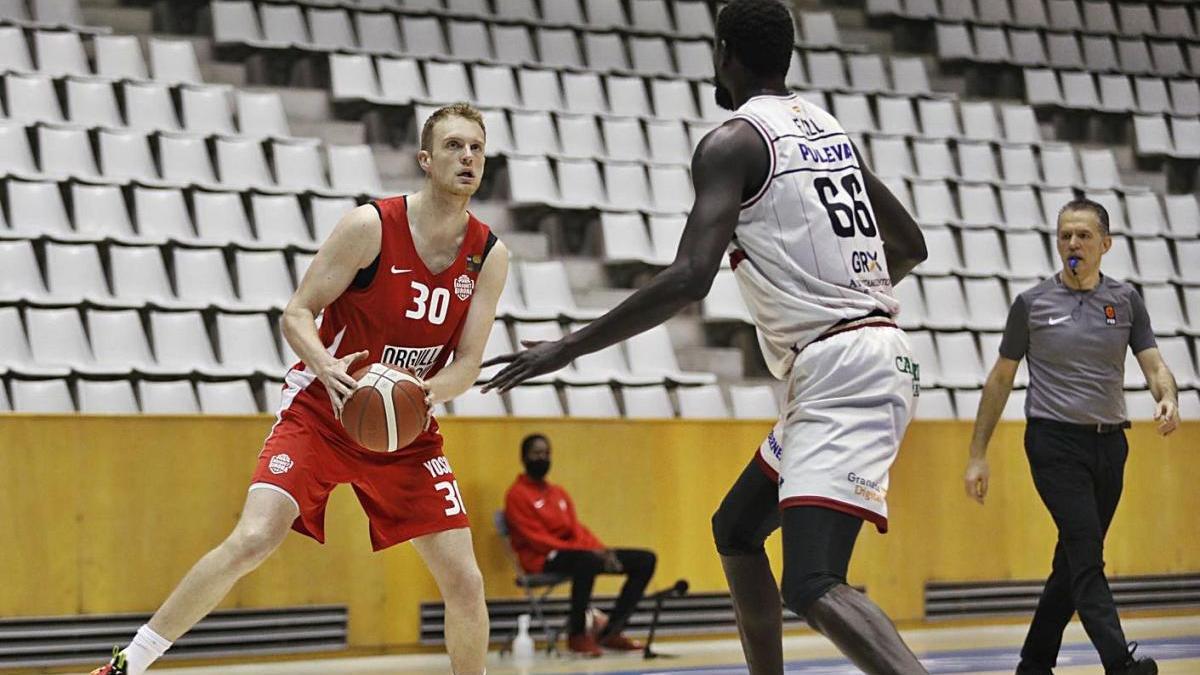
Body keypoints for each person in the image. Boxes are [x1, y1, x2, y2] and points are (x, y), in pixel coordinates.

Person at [481, 1, 930, 672]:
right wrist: (840, 297)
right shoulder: (829, 131)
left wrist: (566, 347)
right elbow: (912, 245)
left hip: (843, 364)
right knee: (737, 527)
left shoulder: (734, 142)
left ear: (724, 53)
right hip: (859, 355)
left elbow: (691, 277)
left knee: (813, 580)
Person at [92, 103, 509, 675]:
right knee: (255, 537)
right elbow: (297, 314)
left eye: (477, 148)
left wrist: (418, 394)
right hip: (324, 408)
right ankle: (126, 664)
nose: (467, 157)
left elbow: (466, 365)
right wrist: (327, 366)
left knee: (465, 579)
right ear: (424, 159)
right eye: (455, 146)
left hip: (404, 429)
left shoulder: (489, 254)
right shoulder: (371, 226)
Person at [963, 198, 1176, 675]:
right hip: (1053, 444)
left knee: (1073, 557)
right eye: (1064, 236)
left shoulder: (1125, 302)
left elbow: (1155, 364)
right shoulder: (1032, 305)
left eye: (1082, 235)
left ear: (1106, 244)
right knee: (1087, 557)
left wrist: (1168, 398)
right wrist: (977, 454)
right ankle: (1120, 664)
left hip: (1110, 445)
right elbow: (1000, 379)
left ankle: (1034, 663)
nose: (1072, 244)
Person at [503, 433, 657, 657]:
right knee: (587, 560)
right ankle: (577, 634)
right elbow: (535, 539)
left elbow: (576, 529)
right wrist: (587, 552)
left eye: (546, 453)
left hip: (578, 555)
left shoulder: (558, 493)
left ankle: (611, 631)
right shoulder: (516, 495)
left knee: (645, 560)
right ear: (524, 457)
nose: (542, 458)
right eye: (537, 453)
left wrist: (601, 549)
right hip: (541, 559)